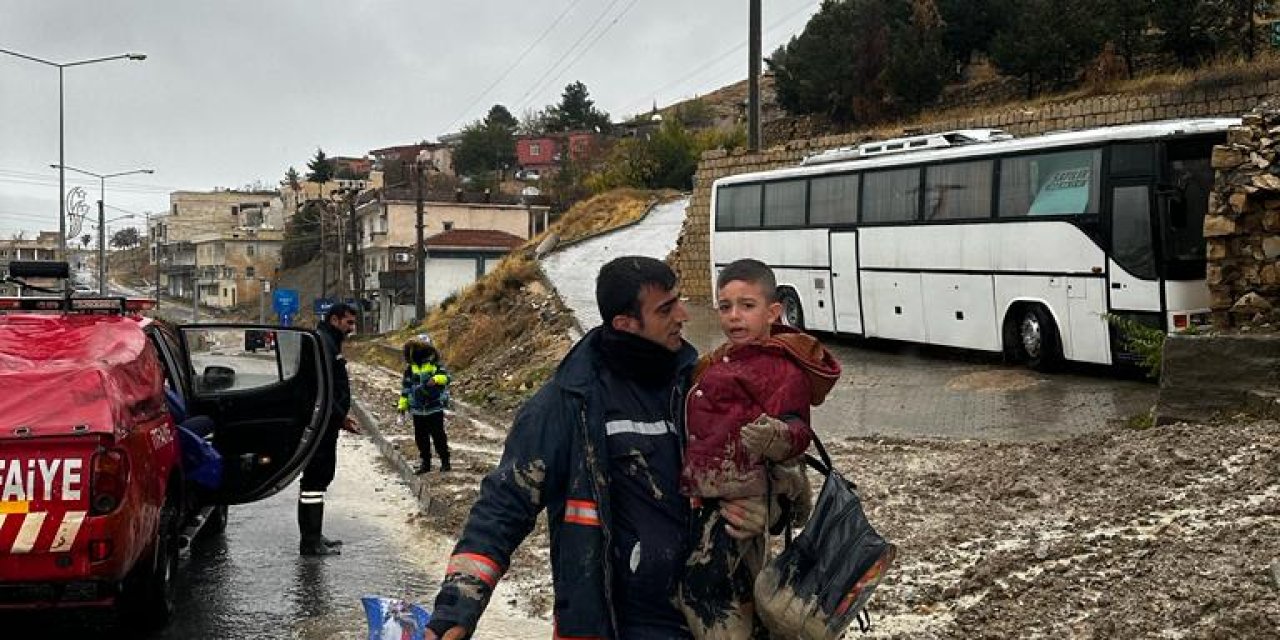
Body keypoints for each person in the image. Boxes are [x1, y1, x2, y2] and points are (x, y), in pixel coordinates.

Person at [426, 256, 768, 640]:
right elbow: (503, 505)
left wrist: (765, 509)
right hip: (615, 624)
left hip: (713, 618)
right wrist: (456, 607)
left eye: (679, 301)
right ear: (625, 323)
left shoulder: (701, 387)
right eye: (666, 309)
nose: (683, 315)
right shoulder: (568, 403)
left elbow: (765, 471)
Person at [675, 258, 841, 639]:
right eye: (725, 306)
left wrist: (778, 436)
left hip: (743, 502)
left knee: (710, 593)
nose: (734, 316)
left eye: (747, 306)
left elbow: (799, 430)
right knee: (731, 590)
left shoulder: (783, 370)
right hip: (711, 499)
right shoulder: (723, 357)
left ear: (773, 312)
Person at [298, 302, 361, 557]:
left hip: (328, 420)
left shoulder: (328, 341)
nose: (352, 328)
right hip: (322, 423)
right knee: (315, 479)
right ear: (334, 320)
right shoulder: (324, 343)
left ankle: (314, 535)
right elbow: (322, 388)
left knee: (319, 479)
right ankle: (310, 542)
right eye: (349, 322)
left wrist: (341, 418)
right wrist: (337, 415)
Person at [398, 334, 452, 474]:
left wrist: (436, 379)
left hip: (434, 407)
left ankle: (445, 461)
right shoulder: (410, 369)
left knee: (438, 436)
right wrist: (402, 407)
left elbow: (447, 378)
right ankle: (425, 463)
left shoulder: (434, 365)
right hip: (417, 409)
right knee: (421, 438)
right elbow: (406, 389)